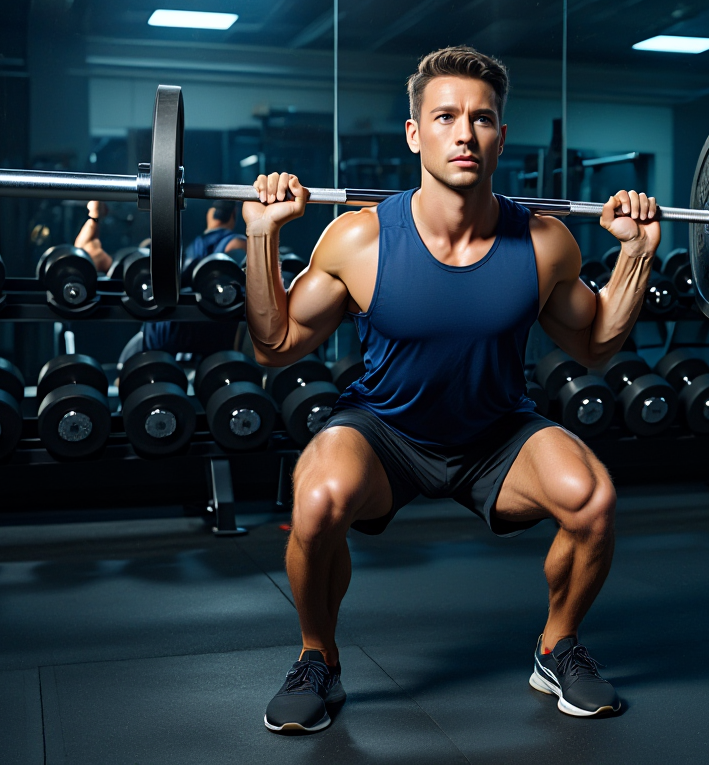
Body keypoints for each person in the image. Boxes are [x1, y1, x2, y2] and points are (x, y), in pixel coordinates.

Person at [243, 46, 659, 734]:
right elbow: (274, 344)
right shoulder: (359, 239)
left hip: (496, 433)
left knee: (594, 500)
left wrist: (638, 252)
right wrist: (261, 239)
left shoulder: (547, 243)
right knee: (316, 502)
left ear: (500, 134)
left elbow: (595, 343)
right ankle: (318, 656)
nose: (464, 133)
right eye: (445, 117)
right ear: (416, 134)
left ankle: (557, 646)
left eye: (482, 118)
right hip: (385, 432)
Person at [113, 200, 248, 363]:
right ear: (234, 214)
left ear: (209, 215)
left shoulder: (193, 247)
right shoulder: (236, 243)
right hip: (208, 328)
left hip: (170, 327)